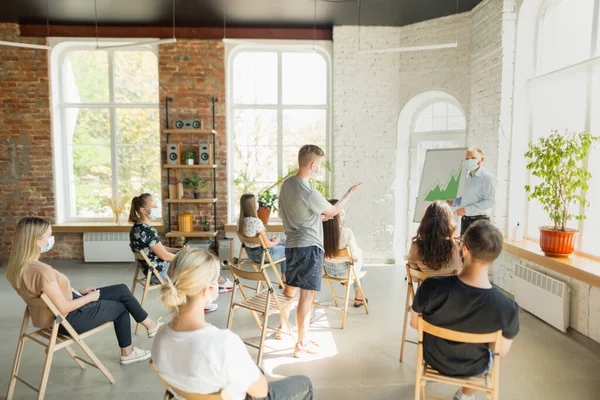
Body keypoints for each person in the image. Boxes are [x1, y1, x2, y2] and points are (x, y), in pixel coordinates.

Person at [152, 248, 314, 400]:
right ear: (208, 289)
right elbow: (260, 391)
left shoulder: (161, 336)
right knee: (304, 383)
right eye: (217, 280)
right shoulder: (223, 342)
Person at [6, 217, 163, 365]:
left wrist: (79, 292)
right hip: (67, 320)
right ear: (36, 241)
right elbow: (63, 308)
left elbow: (48, 296)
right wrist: (89, 298)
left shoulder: (17, 268)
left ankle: (150, 325)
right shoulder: (42, 272)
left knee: (121, 290)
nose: (51, 240)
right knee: (121, 307)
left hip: (49, 317)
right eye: (48, 236)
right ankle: (128, 353)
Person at [410, 220, 519, 400]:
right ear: (495, 257)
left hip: (434, 359)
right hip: (475, 367)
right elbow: (502, 350)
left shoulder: (431, 287)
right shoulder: (507, 307)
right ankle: (464, 395)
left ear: (464, 249)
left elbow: (414, 323)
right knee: (493, 357)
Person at [278, 144, 362, 357]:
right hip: (309, 246)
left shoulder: (287, 185)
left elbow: (289, 213)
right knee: (307, 297)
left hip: (292, 245)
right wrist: (349, 194)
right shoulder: (308, 191)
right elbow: (334, 210)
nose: (319, 169)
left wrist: (317, 217)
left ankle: (282, 328)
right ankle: (301, 343)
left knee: (290, 291)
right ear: (313, 164)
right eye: (319, 165)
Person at [128, 193, 224, 312]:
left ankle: (215, 284)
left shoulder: (137, 228)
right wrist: (184, 257)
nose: (157, 207)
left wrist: (178, 250)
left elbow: (160, 248)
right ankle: (203, 299)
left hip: (151, 270)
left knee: (192, 261)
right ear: (143, 210)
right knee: (195, 267)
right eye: (153, 205)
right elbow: (164, 255)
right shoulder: (147, 230)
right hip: (160, 272)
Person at [322, 199, 367, 307]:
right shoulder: (346, 232)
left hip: (328, 271)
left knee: (354, 261)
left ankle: (357, 294)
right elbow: (355, 256)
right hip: (345, 273)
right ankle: (358, 297)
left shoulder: (319, 232)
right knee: (359, 260)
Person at [446, 148, 497, 235]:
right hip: (466, 221)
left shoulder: (487, 178)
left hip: (480, 223)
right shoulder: (469, 178)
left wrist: (466, 210)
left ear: (482, 160)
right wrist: (454, 201)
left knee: (477, 248)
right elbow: (469, 198)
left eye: (473, 158)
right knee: (464, 248)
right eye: (467, 158)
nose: (469, 161)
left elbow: (490, 202)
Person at [238, 193, 287, 284]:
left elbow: (259, 241)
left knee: (285, 240)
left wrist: (272, 241)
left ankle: (284, 277)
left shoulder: (241, 222)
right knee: (288, 248)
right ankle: (285, 278)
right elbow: (267, 245)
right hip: (263, 256)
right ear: (252, 205)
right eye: (255, 202)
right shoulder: (256, 222)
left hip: (252, 255)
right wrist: (275, 242)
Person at [407, 200, 463, 275]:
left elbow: (415, 278)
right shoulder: (458, 246)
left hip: (428, 286)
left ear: (425, 221)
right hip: (453, 286)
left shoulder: (416, 246)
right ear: (449, 222)